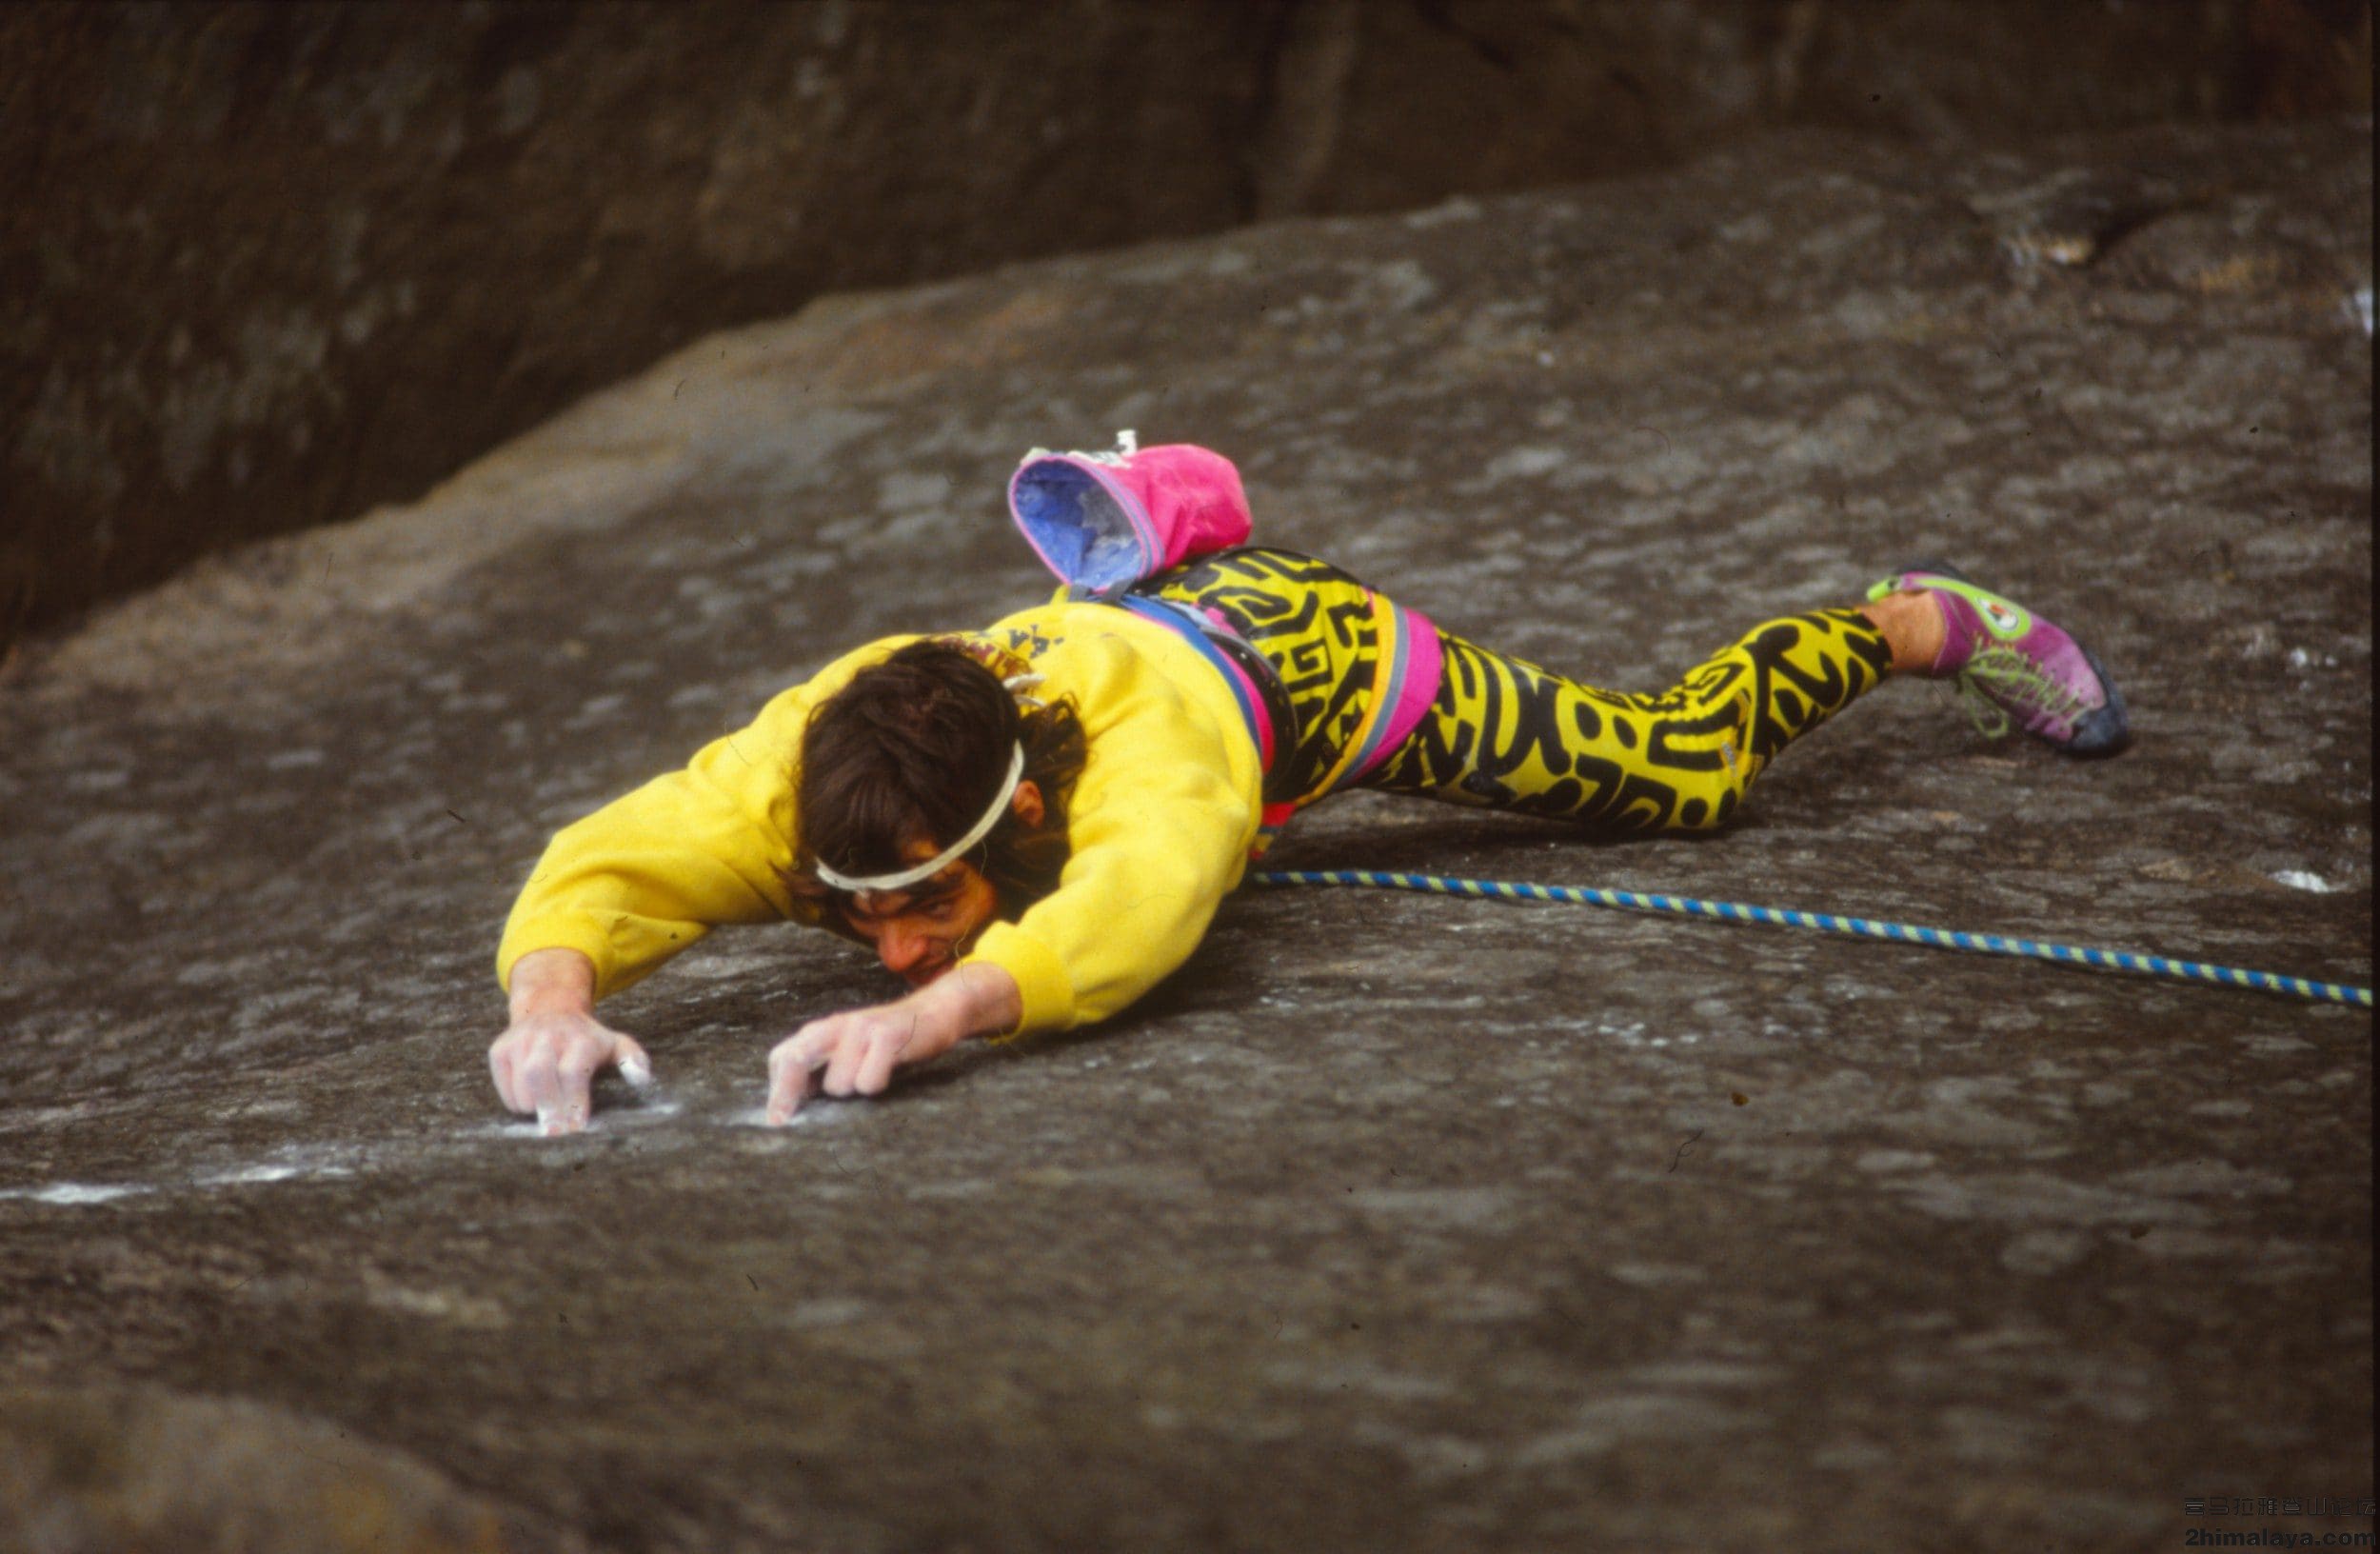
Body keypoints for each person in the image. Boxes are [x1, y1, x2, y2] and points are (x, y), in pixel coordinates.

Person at [490, 494, 2126, 1136]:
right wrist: (551, 1008)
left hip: (1300, 662)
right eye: (871, 922)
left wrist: (939, 1020)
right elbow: (611, 862)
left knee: (1681, 771)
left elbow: (1144, 898)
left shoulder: (1159, 770)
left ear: (1029, 816)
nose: (902, 946)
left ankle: (1913, 623)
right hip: (1112, 631)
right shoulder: (808, 774)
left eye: (931, 909)